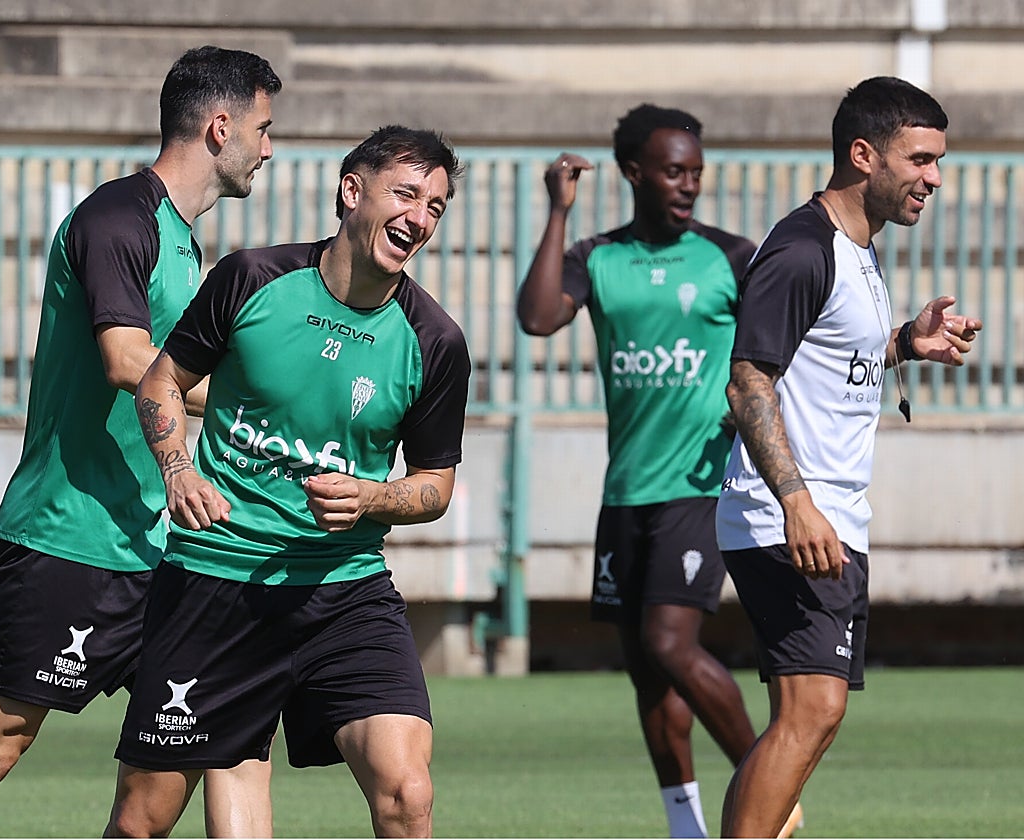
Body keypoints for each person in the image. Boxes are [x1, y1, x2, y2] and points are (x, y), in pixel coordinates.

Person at [0, 47, 283, 838]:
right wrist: (255, 409)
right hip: (72, 538)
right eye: (264, 127)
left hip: (163, 552)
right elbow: (126, 360)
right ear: (220, 127)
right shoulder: (117, 218)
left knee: (166, 777)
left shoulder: (182, 238)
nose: (270, 148)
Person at [104, 125, 470, 838]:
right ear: (351, 192)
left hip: (344, 590)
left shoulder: (435, 341)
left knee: (408, 792)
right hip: (216, 580)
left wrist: (374, 497)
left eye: (435, 206)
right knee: (144, 816)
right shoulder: (251, 279)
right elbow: (159, 383)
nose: (420, 218)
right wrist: (177, 469)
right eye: (406, 193)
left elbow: (434, 485)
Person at [517, 105, 804, 839]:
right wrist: (558, 211)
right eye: (674, 171)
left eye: (696, 173)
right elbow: (540, 315)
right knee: (649, 673)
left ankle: (772, 792)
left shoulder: (731, 257)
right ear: (635, 173)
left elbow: (783, 352)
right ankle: (686, 827)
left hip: (701, 486)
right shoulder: (598, 255)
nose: (688, 185)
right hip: (626, 494)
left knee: (670, 644)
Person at [715, 76, 982, 837]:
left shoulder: (854, 249)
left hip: (825, 513)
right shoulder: (803, 250)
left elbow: (819, 359)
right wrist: (798, 502)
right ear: (863, 155)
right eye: (920, 159)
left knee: (803, 724)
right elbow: (749, 381)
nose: (935, 177)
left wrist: (906, 346)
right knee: (814, 711)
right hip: (790, 515)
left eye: (938, 160)